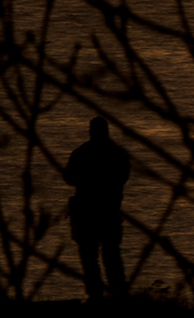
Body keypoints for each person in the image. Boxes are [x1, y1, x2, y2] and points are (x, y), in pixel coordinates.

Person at [65, 114, 134, 302]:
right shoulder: (118, 154)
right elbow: (123, 177)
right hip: (108, 212)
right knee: (111, 255)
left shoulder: (81, 153)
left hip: (87, 213)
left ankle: (95, 295)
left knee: (90, 257)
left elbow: (69, 178)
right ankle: (118, 294)